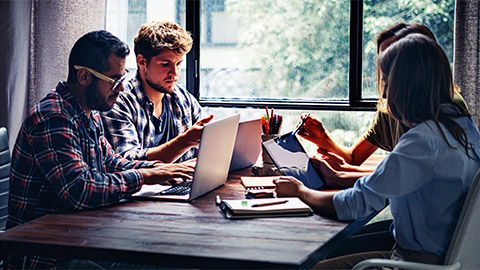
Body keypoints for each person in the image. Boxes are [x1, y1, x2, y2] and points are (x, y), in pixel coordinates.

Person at [275, 34, 480, 269]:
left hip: (414, 262)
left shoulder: (422, 141)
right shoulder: (463, 126)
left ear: (406, 87)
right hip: (449, 259)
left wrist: (301, 191)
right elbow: (395, 178)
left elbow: (354, 204)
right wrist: (338, 176)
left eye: (388, 84)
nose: (384, 95)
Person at [5, 30, 195, 269]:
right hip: (44, 254)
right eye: (114, 80)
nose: (121, 89)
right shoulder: (54, 117)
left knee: (168, 252)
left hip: (79, 237)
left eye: (123, 79)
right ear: (84, 76)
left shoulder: (87, 113)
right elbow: (80, 191)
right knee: (170, 263)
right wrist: (145, 176)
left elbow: (112, 162)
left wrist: (162, 169)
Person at [297, 22, 468, 188]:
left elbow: (409, 179)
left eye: (393, 59)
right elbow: (356, 157)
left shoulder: (446, 108)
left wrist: (340, 175)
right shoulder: (391, 106)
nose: (385, 65)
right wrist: (324, 139)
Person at [101, 21, 213, 163]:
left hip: (183, 183)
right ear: (142, 62)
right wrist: (186, 141)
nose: (175, 73)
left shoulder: (182, 98)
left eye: (178, 64)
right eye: (165, 64)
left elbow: (211, 141)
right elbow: (126, 161)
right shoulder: (119, 101)